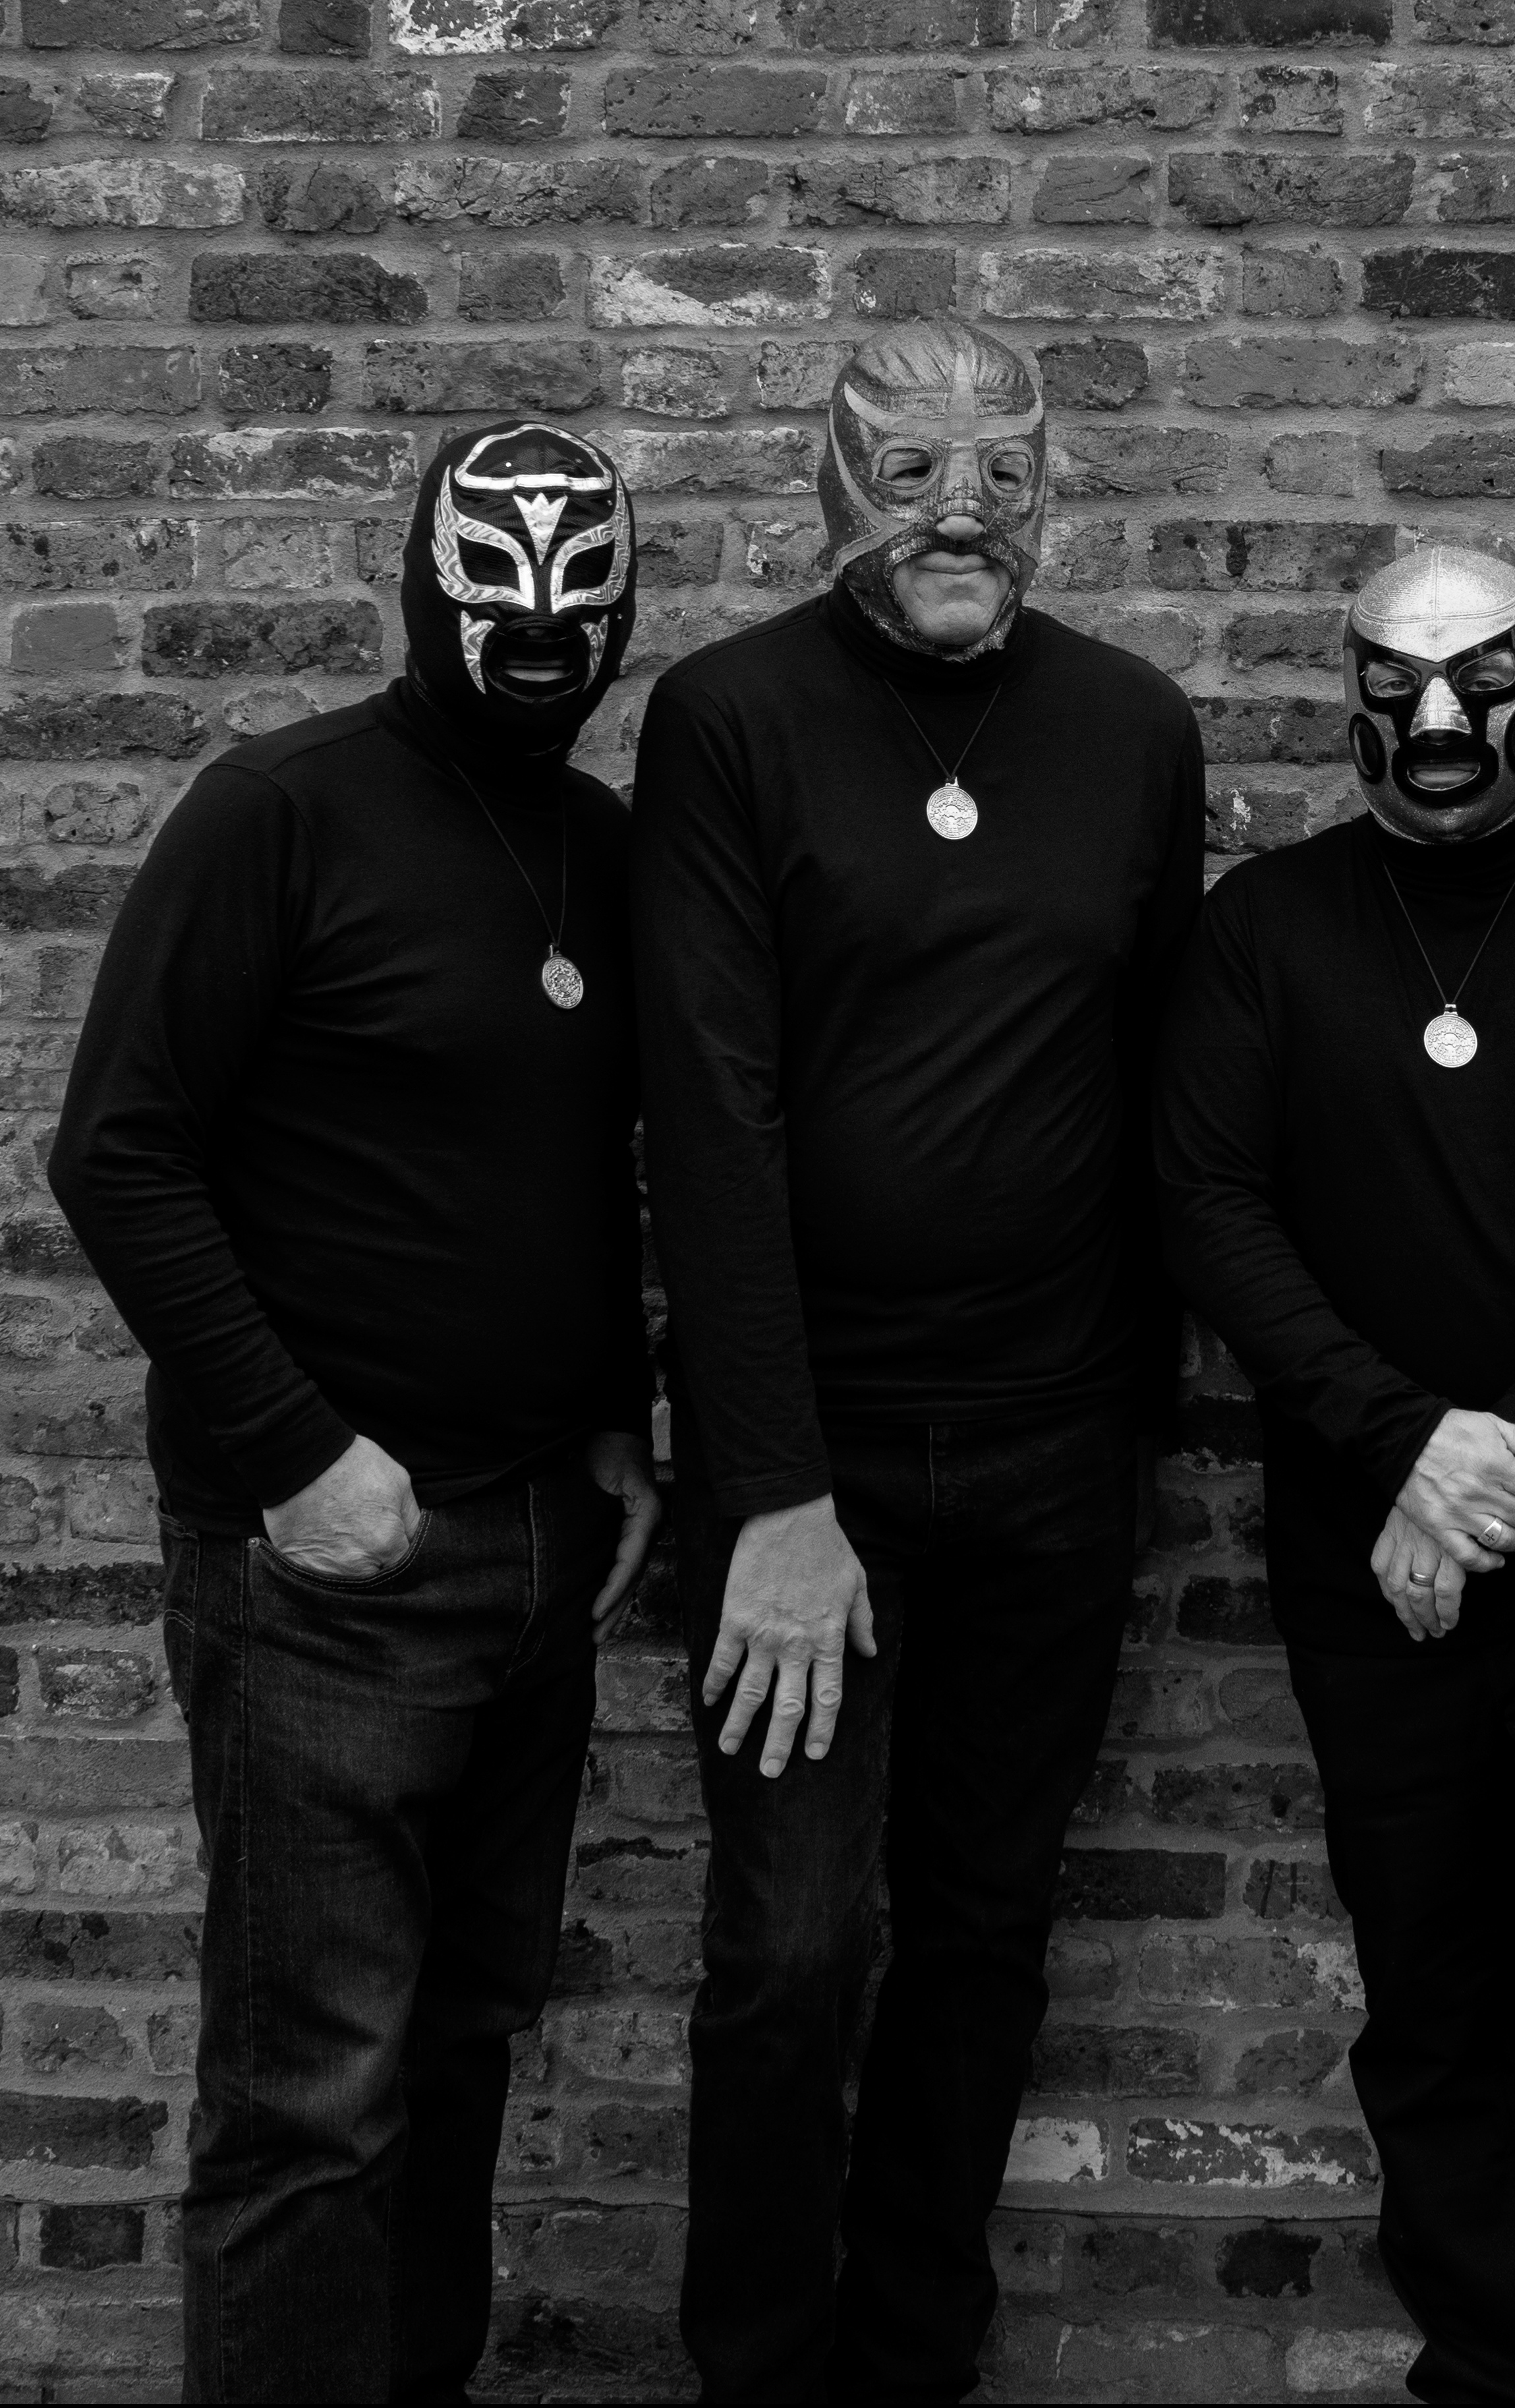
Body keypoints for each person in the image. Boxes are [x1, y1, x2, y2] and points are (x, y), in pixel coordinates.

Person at [47, 420, 662, 2403]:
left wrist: (612, 1411)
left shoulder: (602, 848)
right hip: (328, 1571)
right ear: (427, 583)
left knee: (464, 2046)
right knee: (312, 2098)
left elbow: (574, 1168)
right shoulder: (279, 812)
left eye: (585, 590)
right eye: (503, 584)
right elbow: (119, 1152)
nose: (544, 628)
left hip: (537, 1549)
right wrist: (300, 1457)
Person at [630, 314, 1205, 2403]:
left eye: (1003, 477)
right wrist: (774, 1492)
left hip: (1052, 1454)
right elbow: (707, 1115)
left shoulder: (1132, 729)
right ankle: (760, 2368)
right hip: (817, 1463)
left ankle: (912, 2360)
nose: (963, 516)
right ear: (835, 484)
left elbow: (1158, 1079)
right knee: (792, 1947)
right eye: (913, 475)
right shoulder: (730, 720)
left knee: (982, 1932)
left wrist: (1129, 1424)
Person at [1156, 544, 1515, 2407]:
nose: (1437, 724)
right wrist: (1405, 1444)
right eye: (1397, 687)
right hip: (1370, 1544)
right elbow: (1210, 1208)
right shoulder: (1265, 927)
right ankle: (1489, 2374)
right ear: (1346, 694)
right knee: (1418, 1981)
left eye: (1477, 685)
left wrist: (1500, 1463)